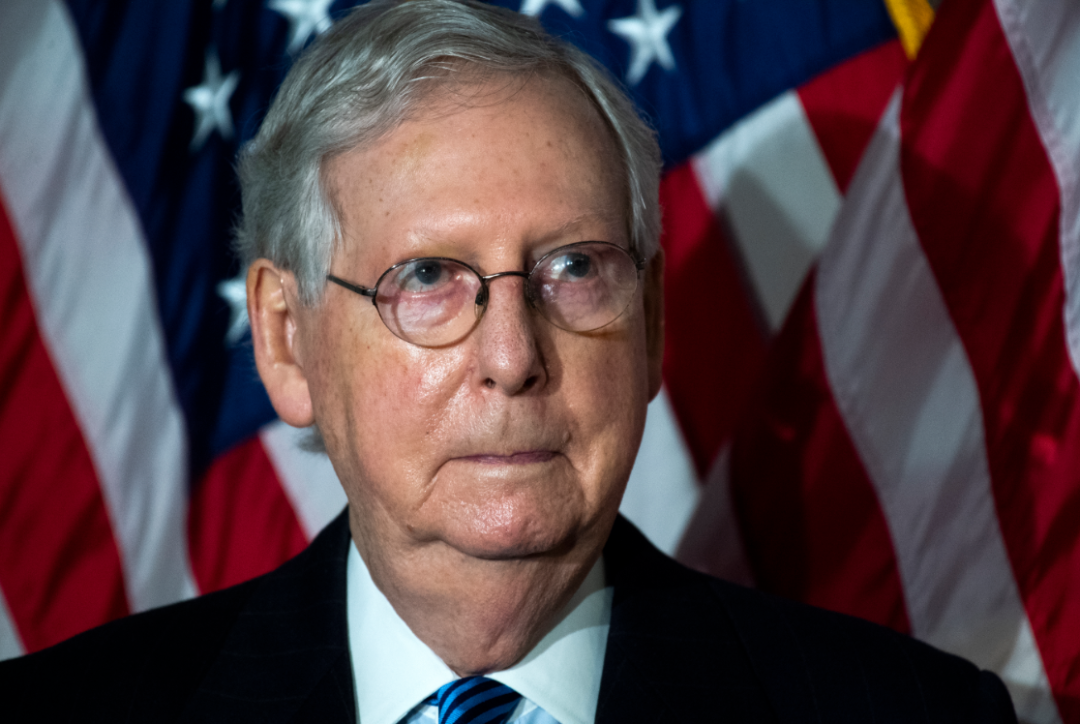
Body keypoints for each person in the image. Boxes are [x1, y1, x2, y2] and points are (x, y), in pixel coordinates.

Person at [0, 1, 1017, 722]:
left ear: (652, 322)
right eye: (428, 278)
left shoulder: (916, 712)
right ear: (286, 337)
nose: (513, 355)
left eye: (574, 268)